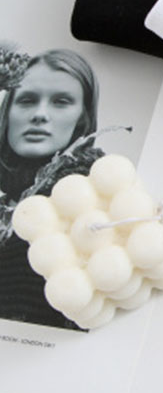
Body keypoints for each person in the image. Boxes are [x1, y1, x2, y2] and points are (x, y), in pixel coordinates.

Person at [0, 48, 103, 329]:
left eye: (61, 102)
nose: (40, 115)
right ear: (8, 112)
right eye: (27, 100)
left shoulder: (93, 205)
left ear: (82, 119)